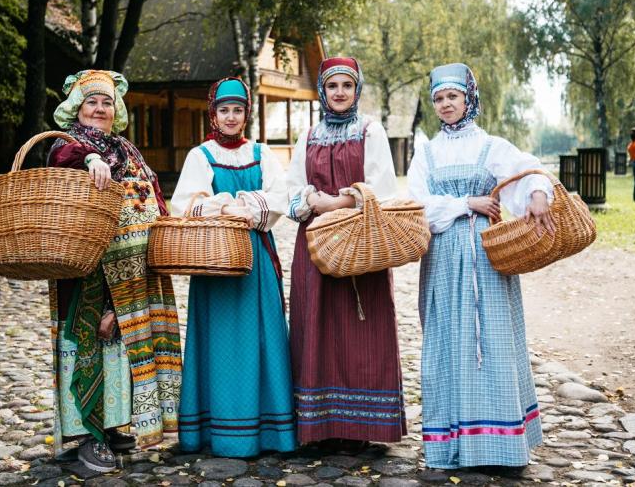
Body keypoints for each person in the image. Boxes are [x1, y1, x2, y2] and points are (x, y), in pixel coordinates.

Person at [408, 63, 552, 471]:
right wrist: (464, 204)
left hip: (487, 258)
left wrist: (538, 193)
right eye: (439, 98)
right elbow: (416, 203)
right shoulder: (428, 151)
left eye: (452, 96)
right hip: (443, 256)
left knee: (492, 341)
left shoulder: (491, 145)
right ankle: (454, 446)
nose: (446, 104)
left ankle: (500, 447)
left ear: (468, 98)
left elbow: (528, 170)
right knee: (450, 342)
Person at [47, 70, 182, 472]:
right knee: (90, 343)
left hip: (135, 274)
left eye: (107, 102)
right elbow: (61, 159)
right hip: (89, 272)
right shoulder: (69, 145)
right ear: (78, 107)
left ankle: (113, 425)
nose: (101, 109)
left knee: (121, 350)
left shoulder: (126, 149)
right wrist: (89, 157)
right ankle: (87, 434)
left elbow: (152, 196)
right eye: (92, 102)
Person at [172, 77, 296, 457]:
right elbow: (184, 204)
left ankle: (269, 431)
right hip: (214, 259)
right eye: (223, 110)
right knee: (220, 338)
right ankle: (216, 428)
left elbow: (281, 196)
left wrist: (247, 207)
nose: (230, 117)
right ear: (213, 113)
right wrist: (222, 206)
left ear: (246, 114)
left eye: (237, 110)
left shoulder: (262, 153)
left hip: (256, 256)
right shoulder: (200, 155)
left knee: (263, 335)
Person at [286, 57, 406, 449]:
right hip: (315, 245)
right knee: (315, 325)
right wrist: (310, 199)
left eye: (347, 86)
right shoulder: (308, 135)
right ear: (322, 90)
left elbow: (383, 187)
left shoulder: (370, 130)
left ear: (357, 90)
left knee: (362, 328)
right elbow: (292, 189)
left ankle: (362, 428)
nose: (339, 93)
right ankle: (320, 426)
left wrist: (340, 202)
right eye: (332, 86)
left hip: (360, 244)